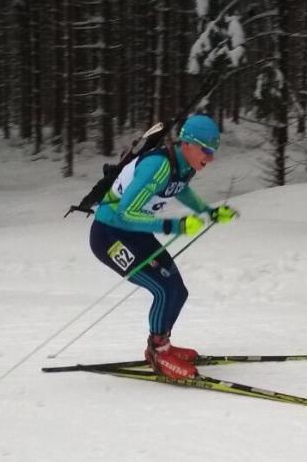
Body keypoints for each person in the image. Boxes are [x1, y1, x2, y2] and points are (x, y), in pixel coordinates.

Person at [88, 114, 237, 380]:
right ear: (188, 143)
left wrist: (208, 212)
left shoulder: (184, 166)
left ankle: (161, 343)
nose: (210, 158)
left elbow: (179, 189)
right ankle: (158, 352)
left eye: (213, 152)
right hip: (110, 235)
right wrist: (176, 226)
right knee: (165, 289)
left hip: (136, 233)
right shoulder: (158, 166)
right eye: (206, 150)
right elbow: (124, 213)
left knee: (178, 290)